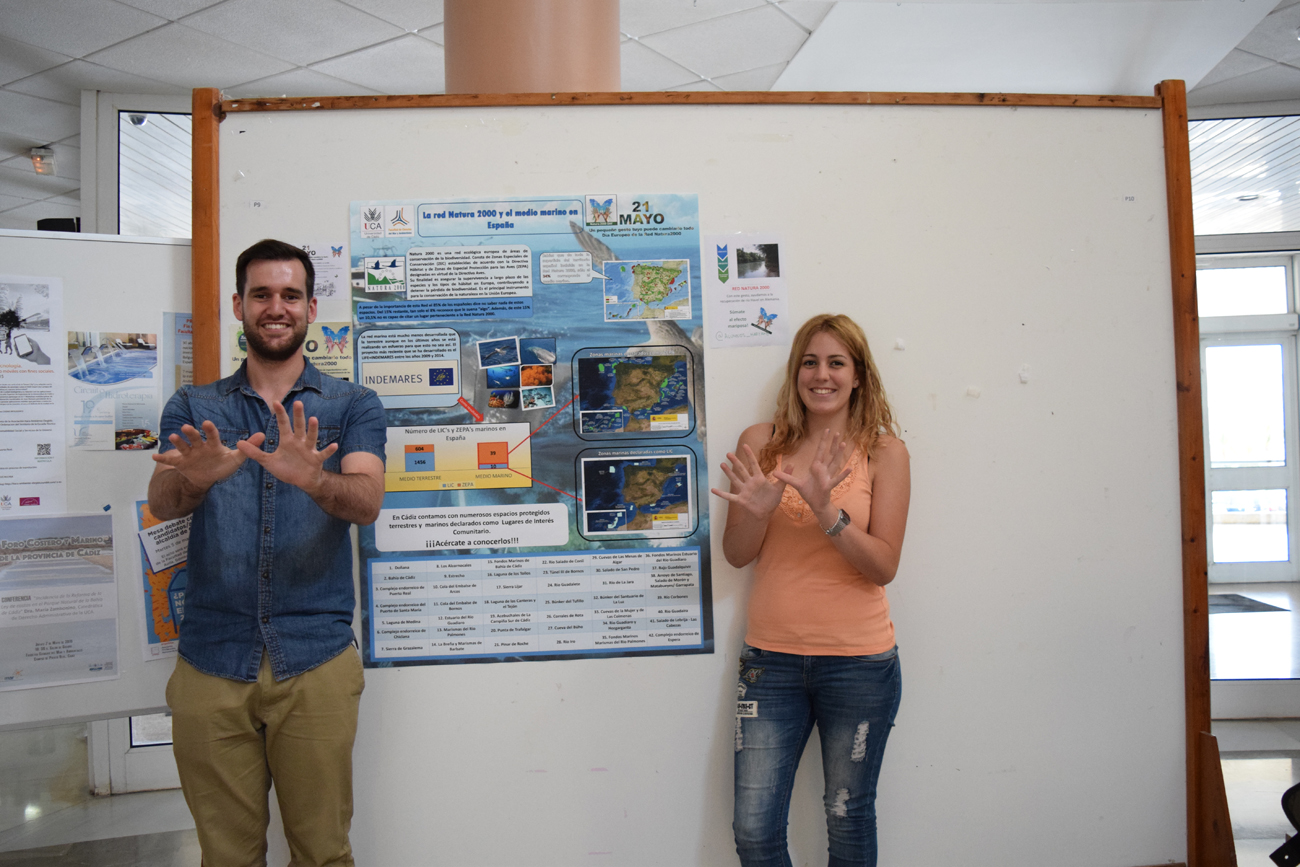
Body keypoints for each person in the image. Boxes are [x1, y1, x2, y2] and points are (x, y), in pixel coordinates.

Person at [148, 238, 387, 867]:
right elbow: (165, 503)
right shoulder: (196, 406)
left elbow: (366, 503)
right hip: (210, 661)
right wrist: (198, 476)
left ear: (311, 308)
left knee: (323, 853)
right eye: (261, 295)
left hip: (315, 660)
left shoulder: (352, 405)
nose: (275, 307)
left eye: (289, 295)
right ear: (238, 305)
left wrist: (311, 479)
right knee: (225, 856)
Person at [711, 313, 911, 867]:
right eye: (810, 362)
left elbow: (884, 566)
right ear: (796, 372)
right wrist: (757, 512)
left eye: (836, 363)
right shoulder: (762, 443)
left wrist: (828, 513)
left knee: (847, 816)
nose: (821, 375)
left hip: (859, 665)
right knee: (753, 830)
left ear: (858, 376)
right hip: (770, 663)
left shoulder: (884, 452)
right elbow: (737, 554)